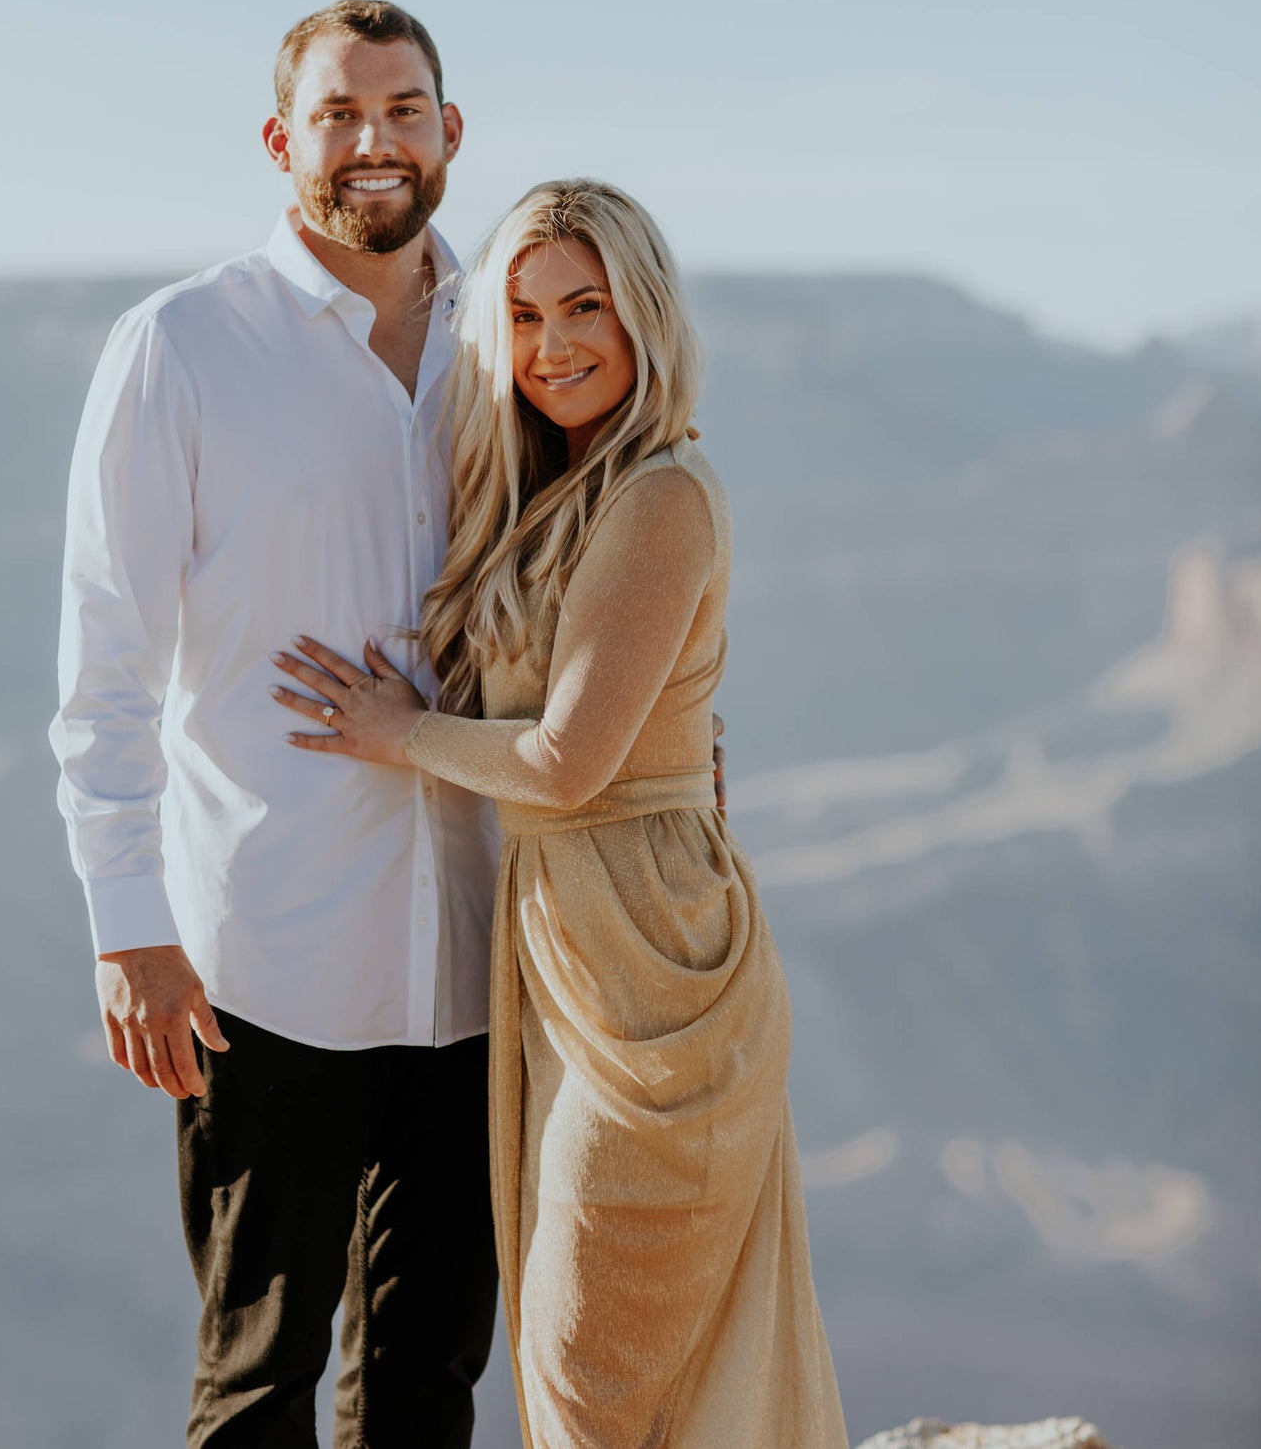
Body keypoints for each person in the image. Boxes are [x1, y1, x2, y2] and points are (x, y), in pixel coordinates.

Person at [269, 179, 849, 1449]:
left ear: (645, 314)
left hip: (647, 975)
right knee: (571, 1361)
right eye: (523, 317)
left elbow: (568, 761)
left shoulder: (656, 495)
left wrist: (394, 732)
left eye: (585, 307)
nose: (554, 345)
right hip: (564, 950)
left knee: (590, 1364)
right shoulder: (560, 489)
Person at [50, 0, 503, 1448]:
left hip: (487, 960)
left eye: (405, 110)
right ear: (279, 139)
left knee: (429, 1382)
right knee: (258, 1387)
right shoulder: (180, 346)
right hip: (266, 962)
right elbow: (105, 654)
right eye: (339, 113)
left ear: (451, 132)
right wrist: (128, 922)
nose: (376, 142)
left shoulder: (520, 333)